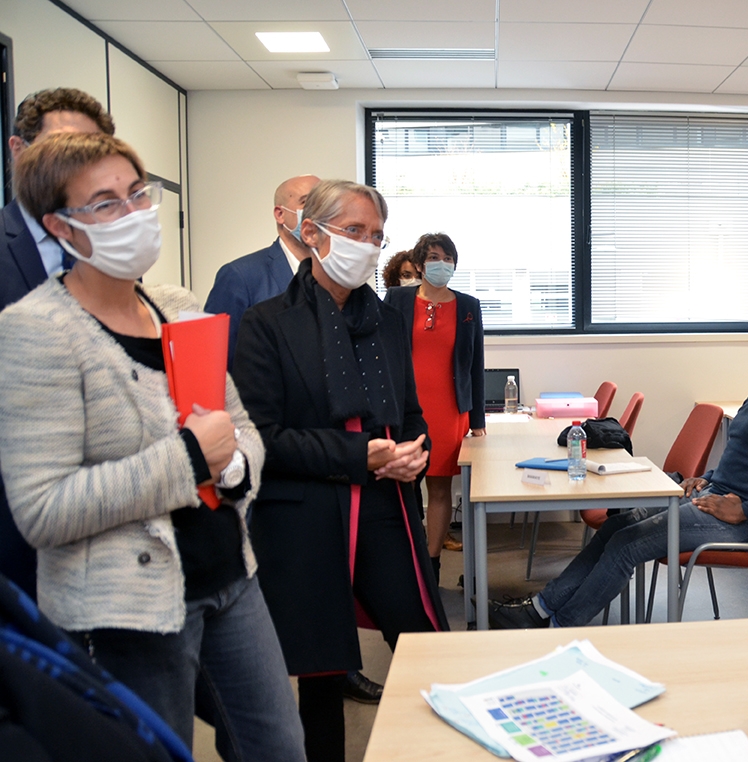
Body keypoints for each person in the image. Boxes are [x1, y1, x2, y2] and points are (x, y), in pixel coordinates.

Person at [0, 132, 305, 760]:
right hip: (126, 609)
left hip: (231, 576)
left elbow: (238, 423)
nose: (134, 212)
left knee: (278, 745)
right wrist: (190, 457)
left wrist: (233, 464)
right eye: (106, 203)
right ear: (60, 227)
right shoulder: (34, 331)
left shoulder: (176, 307)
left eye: (138, 193)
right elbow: (43, 509)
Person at [233, 180, 448, 762]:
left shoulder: (385, 321)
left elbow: (408, 414)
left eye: (377, 235)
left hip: (385, 504)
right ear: (312, 233)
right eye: (355, 231)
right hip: (304, 516)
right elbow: (263, 440)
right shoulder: (266, 323)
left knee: (426, 646)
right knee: (322, 675)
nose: (369, 245)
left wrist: (413, 454)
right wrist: (361, 456)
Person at [489, 316, 748, 629]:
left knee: (628, 543)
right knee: (617, 525)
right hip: (713, 497)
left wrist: (745, 510)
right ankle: (541, 608)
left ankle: (559, 625)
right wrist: (708, 478)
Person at [0, 87, 113, 601]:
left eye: (93, 153)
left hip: (110, 505)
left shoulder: (109, 252)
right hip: (18, 506)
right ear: (19, 153)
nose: (82, 168)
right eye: (65, 150)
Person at [383, 233, 486, 576]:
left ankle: (432, 564)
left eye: (447, 257)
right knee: (404, 486)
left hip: (449, 410)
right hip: (405, 408)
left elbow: (474, 365)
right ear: (420, 263)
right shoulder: (397, 298)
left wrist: (478, 420)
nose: (441, 264)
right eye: (433, 257)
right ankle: (406, 561)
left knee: (440, 488)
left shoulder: (468, 306)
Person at [204, 174, 320, 368]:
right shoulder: (240, 277)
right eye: (307, 203)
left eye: (325, 204)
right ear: (280, 214)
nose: (319, 213)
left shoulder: (335, 277)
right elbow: (214, 365)